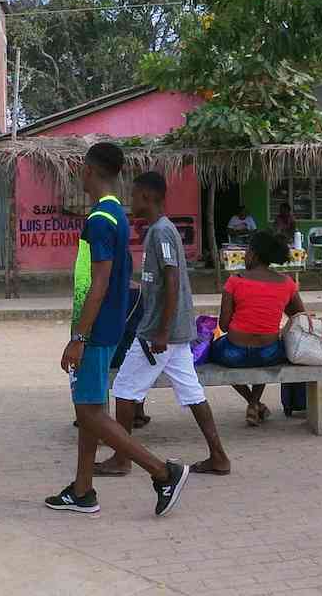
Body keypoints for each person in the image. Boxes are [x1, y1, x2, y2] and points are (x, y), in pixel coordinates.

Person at [44, 142, 190, 517]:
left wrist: (78, 337)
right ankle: (82, 490)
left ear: (89, 171)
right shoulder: (113, 214)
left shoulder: (100, 220)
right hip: (104, 326)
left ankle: (162, 472)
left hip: (95, 330)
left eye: (81, 169)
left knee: (90, 412)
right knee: (89, 408)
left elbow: (100, 283)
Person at [94, 172, 231, 477]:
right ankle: (219, 456)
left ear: (146, 196)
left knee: (126, 389)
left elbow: (170, 278)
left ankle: (122, 457)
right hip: (174, 330)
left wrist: (162, 331)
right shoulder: (159, 231)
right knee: (192, 392)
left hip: (160, 332)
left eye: (133, 195)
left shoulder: (160, 232)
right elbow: (161, 280)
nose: (131, 201)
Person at [213, 230, 305, 426]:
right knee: (264, 352)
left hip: (233, 353)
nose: (245, 256)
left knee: (213, 351)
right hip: (269, 353)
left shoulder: (235, 280)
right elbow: (300, 315)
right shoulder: (286, 283)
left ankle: (252, 402)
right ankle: (255, 403)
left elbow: (223, 325)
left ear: (253, 254)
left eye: (246, 252)